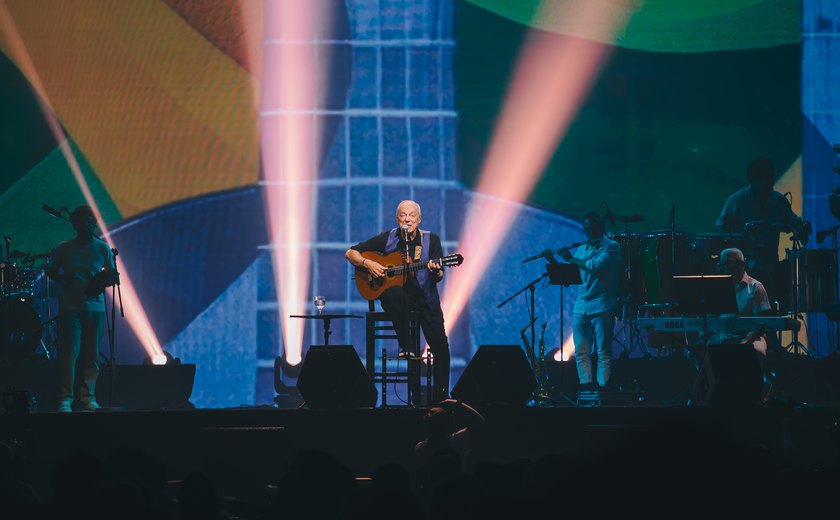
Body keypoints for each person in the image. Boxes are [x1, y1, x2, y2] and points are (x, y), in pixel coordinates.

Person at [345, 200, 451, 402]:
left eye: (412, 215)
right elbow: (350, 252)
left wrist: (437, 270)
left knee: (440, 344)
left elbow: (439, 276)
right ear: (397, 219)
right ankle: (407, 347)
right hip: (398, 302)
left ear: (419, 220)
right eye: (403, 215)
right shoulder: (389, 237)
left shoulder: (431, 240)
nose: (407, 219)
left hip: (425, 299)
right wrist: (368, 264)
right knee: (393, 293)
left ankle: (442, 395)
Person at [48, 205, 114, 412]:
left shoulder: (103, 248)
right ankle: (65, 398)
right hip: (70, 306)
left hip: (96, 307)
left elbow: (112, 276)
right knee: (69, 353)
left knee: (91, 354)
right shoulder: (64, 248)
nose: (87, 224)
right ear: (75, 224)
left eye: (90, 221)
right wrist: (63, 278)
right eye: (83, 221)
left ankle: (88, 397)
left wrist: (101, 282)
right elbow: (51, 271)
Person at [716, 156, 810, 302]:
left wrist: (803, 229)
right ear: (754, 179)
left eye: (772, 177)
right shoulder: (737, 201)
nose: (772, 181)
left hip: (770, 270)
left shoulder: (778, 202)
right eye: (768, 177)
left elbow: (797, 225)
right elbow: (721, 229)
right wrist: (743, 241)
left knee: (769, 309)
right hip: (740, 270)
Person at [558, 212, 621, 390]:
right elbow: (572, 274)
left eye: (592, 228)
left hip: (602, 305)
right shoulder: (583, 249)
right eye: (586, 229)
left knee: (603, 351)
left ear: (600, 227)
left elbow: (594, 267)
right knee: (581, 351)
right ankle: (586, 388)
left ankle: (603, 390)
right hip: (581, 305)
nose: (589, 232)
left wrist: (569, 258)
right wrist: (553, 259)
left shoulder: (612, 247)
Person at [711, 248, 771, 355]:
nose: (722, 267)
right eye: (721, 264)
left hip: (751, 334)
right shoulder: (717, 287)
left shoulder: (755, 287)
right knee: (701, 348)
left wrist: (744, 341)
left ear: (740, 265)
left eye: (726, 263)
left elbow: (761, 323)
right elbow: (711, 318)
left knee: (758, 351)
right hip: (723, 334)